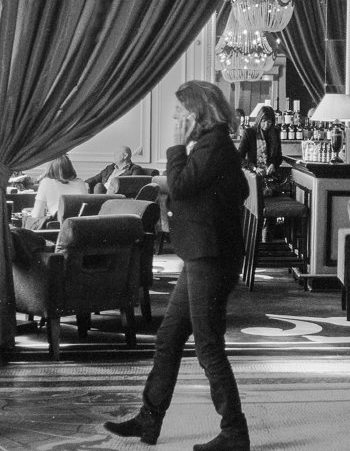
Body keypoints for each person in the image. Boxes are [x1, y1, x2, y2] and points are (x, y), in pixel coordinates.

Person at [104, 81, 250, 451]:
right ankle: (149, 419)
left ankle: (234, 432)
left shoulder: (214, 144)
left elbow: (183, 186)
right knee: (169, 338)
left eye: (180, 109)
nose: (175, 116)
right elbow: (217, 187)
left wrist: (173, 146)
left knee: (208, 347)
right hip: (203, 255)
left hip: (210, 258)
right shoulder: (211, 145)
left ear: (198, 111)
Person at [26, 155, 87, 228]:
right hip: (80, 227)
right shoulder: (80, 182)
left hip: (59, 228)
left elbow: (37, 214)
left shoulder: (46, 182)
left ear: (50, 168)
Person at [237, 105, 281, 175]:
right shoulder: (249, 133)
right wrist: (254, 168)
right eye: (263, 121)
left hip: (270, 174)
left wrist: (274, 164)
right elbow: (239, 157)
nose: (266, 125)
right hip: (253, 173)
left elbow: (279, 156)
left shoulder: (275, 133)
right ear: (259, 120)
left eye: (269, 122)